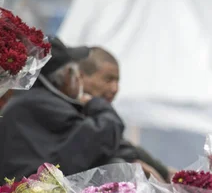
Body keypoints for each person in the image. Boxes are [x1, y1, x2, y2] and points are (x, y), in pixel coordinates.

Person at [0, 37, 124, 180]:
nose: (79, 80)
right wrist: (96, 104)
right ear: (66, 76)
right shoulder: (41, 105)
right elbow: (99, 139)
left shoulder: (27, 101)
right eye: (76, 73)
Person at [78, 46, 175, 182]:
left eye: (117, 81)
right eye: (108, 79)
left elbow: (123, 147)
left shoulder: (97, 112)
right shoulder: (70, 112)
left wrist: (164, 171)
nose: (115, 88)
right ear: (82, 77)